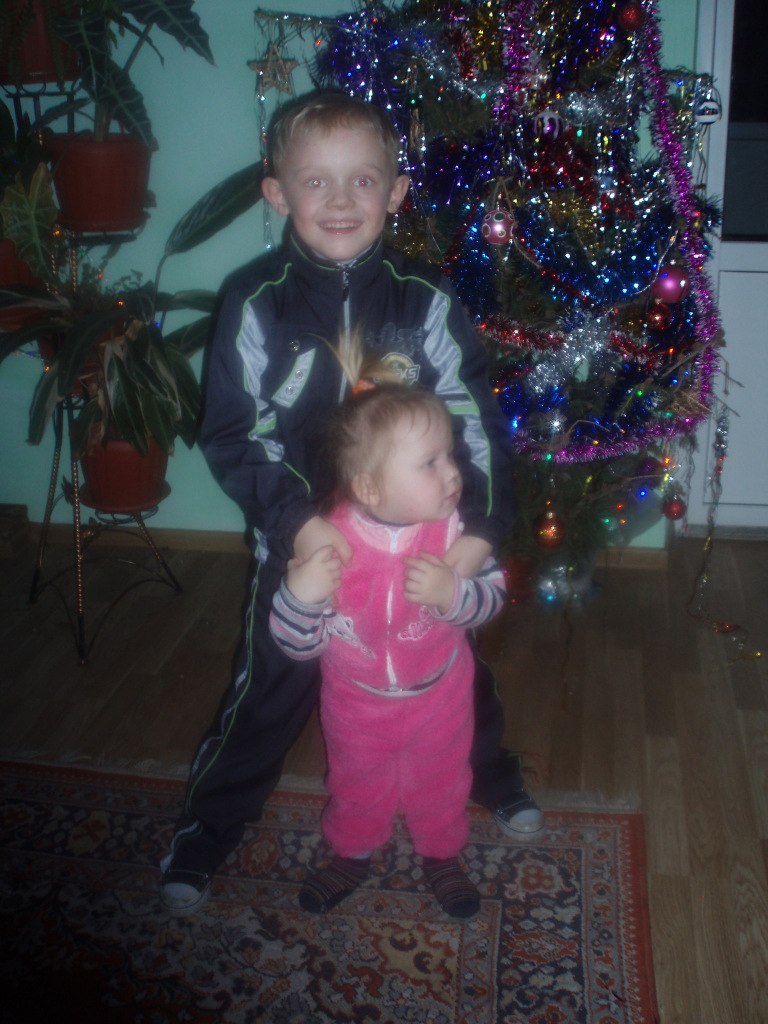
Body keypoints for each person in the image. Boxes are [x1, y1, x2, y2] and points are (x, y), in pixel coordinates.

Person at [160, 89, 542, 914]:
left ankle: (492, 775)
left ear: (395, 193)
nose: (340, 200)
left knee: (451, 670)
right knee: (268, 688)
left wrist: (478, 533)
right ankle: (207, 829)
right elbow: (232, 433)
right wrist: (298, 530)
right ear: (277, 193)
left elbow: (476, 426)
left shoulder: (426, 301)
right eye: (316, 181)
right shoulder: (253, 301)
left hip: (423, 540)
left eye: (363, 180)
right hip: (305, 550)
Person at [269, 378, 508, 918]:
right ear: (370, 488)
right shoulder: (330, 547)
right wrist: (300, 597)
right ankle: (352, 850)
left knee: (443, 779)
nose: (453, 473)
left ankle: (441, 852)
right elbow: (296, 645)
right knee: (355, 782)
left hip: (440, 695)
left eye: (450, 455)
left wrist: (454, 594)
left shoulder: (454, 534)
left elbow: (493, 595)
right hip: (356, 702)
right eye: (429, 463)